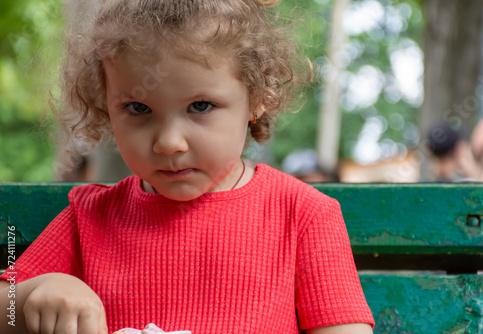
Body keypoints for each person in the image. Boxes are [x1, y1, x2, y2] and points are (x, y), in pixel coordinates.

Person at [0, 0, 374, 333]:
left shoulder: (303, 215)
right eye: (138, 108)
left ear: (256, 98)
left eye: (200, 106)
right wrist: (38, 290)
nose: (168, 142)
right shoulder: (91, 216)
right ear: (106, 106)